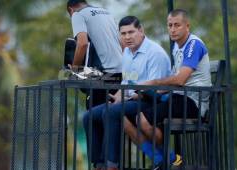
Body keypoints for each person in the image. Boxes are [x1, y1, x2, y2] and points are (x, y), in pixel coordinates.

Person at [125, 9, 212, 169]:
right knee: (130, 116)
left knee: (142, 119)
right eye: (170, 25)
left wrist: (153, 83)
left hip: (194, 101)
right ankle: (169, 159)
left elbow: (180, 80)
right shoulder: (177, 47)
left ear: (187, 26)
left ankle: (168, 159)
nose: (172, 29)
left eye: (177, 25)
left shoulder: (194, 45)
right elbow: (174, 83)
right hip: (179, 97)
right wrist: (148, 92)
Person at [83, 16, 171, 170]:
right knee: (89, 116)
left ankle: (112, 165)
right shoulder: (127, 53)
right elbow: (126, 83)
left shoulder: (155, 53)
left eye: (131, 32)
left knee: (111, 112)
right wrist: (117, 97)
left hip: (153, 101)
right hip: (133, 99)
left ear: (141, 30)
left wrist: (127, 97)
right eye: (123, 34)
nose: (127, 37)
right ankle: (99, 164)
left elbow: (155, 89)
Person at [67, 0, 122, 108]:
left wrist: (75, 68)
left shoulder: (77, 14)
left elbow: (82, 44)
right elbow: (121, 41)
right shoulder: (106, 13)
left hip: (101, 74)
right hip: (121, 72)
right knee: (114, 116)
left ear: (70, 10)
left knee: (94, 118)